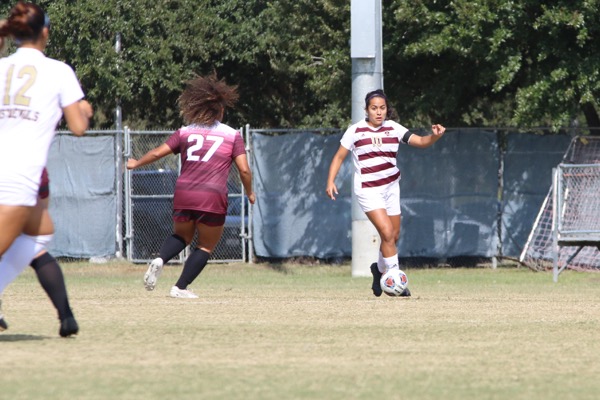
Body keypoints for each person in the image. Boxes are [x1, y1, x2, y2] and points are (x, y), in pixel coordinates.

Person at [0, 2, 92, 334]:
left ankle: (65, 316)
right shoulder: (58, 71)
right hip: (18, 175)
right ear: (45, 32)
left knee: (40, 234)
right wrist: (85, 109)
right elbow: (78, 127)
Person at [127, 74, 255, 298]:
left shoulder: (185, 132)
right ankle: (180, 288)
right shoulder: (232, 135)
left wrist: (136, 163)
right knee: (205, 245)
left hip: (184, 193)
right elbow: (244, 169)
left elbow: (158, 152)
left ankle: (160, 259)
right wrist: (250, 192)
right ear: (220, 111)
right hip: (212, 196)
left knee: (181, 236)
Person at [326, 89, 445, 297]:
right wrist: (330, 181)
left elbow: (420, 142)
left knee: (394, 236)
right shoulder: (356, 131)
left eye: (382, 108)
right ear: (366, 110)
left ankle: (378, 270)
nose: (379, 112)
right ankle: (394, 280)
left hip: (391, 188)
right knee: (387, 233)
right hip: (368, 191)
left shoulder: (393, 128)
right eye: (374, 108)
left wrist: (434, 137)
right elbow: (338, 157)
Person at [0, 168, 80, 337]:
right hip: (30, 181)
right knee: (33, 247)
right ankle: (66, 316)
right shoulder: (29, 146)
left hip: (7, 185)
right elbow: (43, 191)